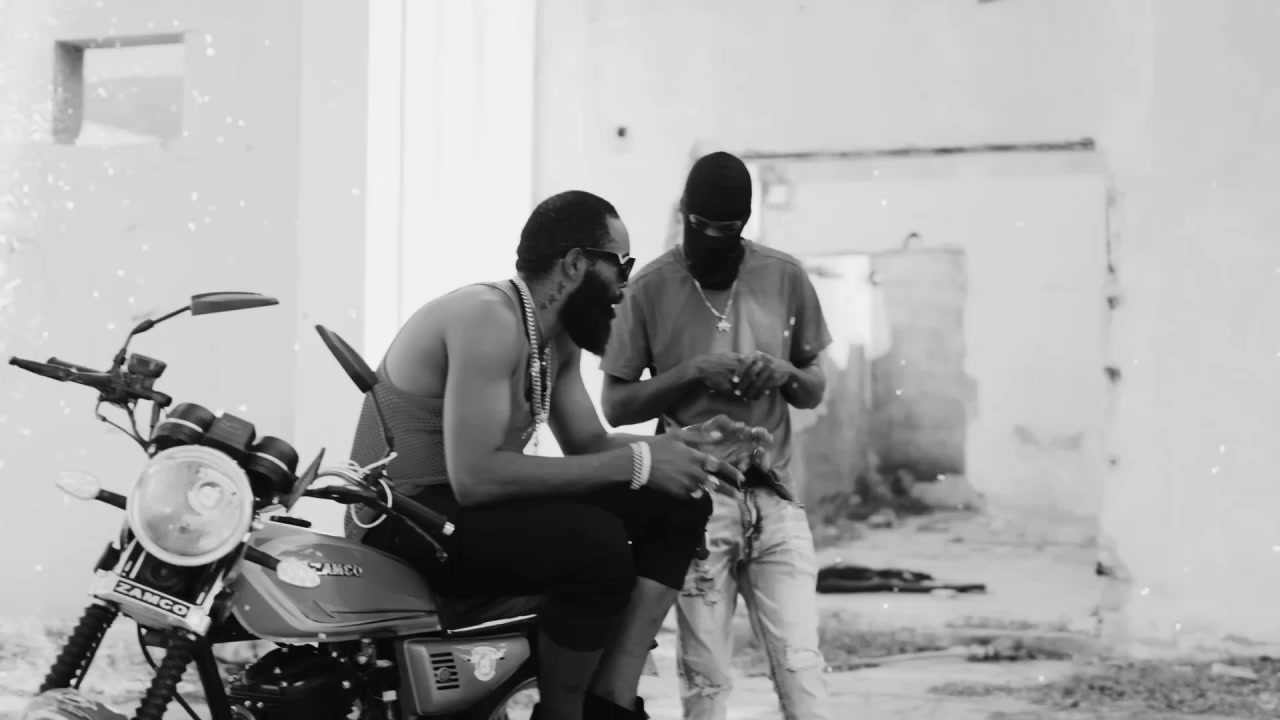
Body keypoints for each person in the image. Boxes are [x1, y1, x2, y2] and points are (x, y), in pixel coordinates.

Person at [343, 189, 764, 720]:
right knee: (594, 544)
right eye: (621, 265)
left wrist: (678, 446)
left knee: (679, 503)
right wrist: (640, 464)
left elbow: (590, 444)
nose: (626, 284)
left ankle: (609, 700)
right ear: (575, 264)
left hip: (461, 511)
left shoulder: (555, 338)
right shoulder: (488, 319)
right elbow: (475, 476)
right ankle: (565, 712)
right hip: (404, 517)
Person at [601, 152, 834, 720]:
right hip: (697, 505)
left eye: (727, 229)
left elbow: (813, 387)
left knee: (803, 671)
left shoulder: (785, 275)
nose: (712, 239)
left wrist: (783, 373)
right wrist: (691, 373)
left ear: (745, 222)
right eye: (700, 226)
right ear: (683, 214)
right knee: (706, 683)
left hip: (777, 500)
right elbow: (616, 405)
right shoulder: (649, 287)